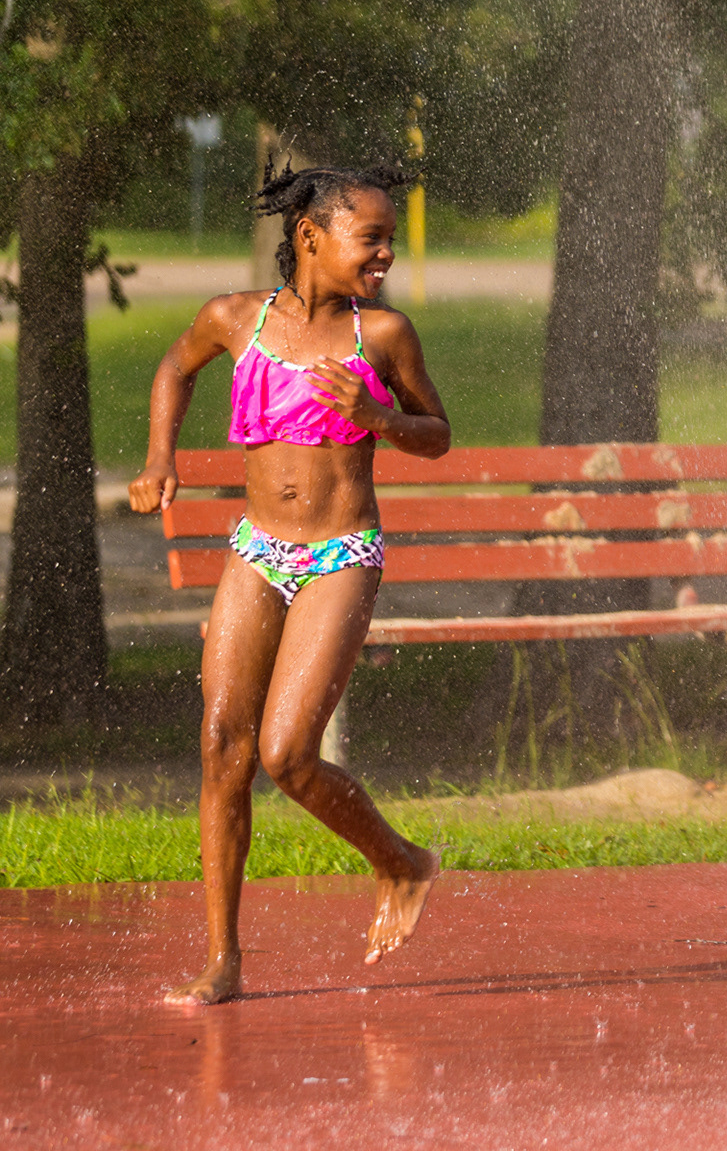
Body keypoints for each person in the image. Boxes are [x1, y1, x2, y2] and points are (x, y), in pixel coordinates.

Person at [130, 164, 451, 1005]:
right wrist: (161, 456)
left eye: (390, 240)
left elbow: (437, 435)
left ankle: (403, 862)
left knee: (287, 754)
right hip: (257, 549)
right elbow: (174, 367)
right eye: (370, 239)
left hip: (340, 554)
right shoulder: (236, 319)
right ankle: (223, 961)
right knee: (221, 746)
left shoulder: (381, 337)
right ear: (312, 238)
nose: (385, 254)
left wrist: (380, 418)